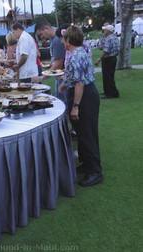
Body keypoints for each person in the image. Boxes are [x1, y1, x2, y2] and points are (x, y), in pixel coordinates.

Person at [62, 25, 103, 187]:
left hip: (84, 97)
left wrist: (75, 106)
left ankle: (95, 172)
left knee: (87, 134)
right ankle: (87, 164)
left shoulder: (76, 55)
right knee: (82, 132)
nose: (63, 41)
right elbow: (75, 77)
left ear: (69, 40)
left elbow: (79, 83)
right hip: (83, 94)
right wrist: (65, 84)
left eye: (64, 38)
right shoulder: (77, 53)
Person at [33, 20, 65, 100]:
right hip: (59, 77)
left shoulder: (57, 41)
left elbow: (58, 64)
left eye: (41, 34)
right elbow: (57, 59)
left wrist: (41, 78)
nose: (41, 37)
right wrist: (51, 63)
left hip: (63, 78)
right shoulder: (52, 40)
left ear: (46, 28)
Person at [94, 24, 120, 99]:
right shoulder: (115, 38)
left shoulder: (109, 39)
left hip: (108, 59)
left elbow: (106, 51)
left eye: (105, 30)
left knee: (107, 76)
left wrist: (99, 59)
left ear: (108, 31)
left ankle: (109, 93)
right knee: (110, 76)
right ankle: (113, 92)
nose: (104, 31)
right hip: (113, 58)